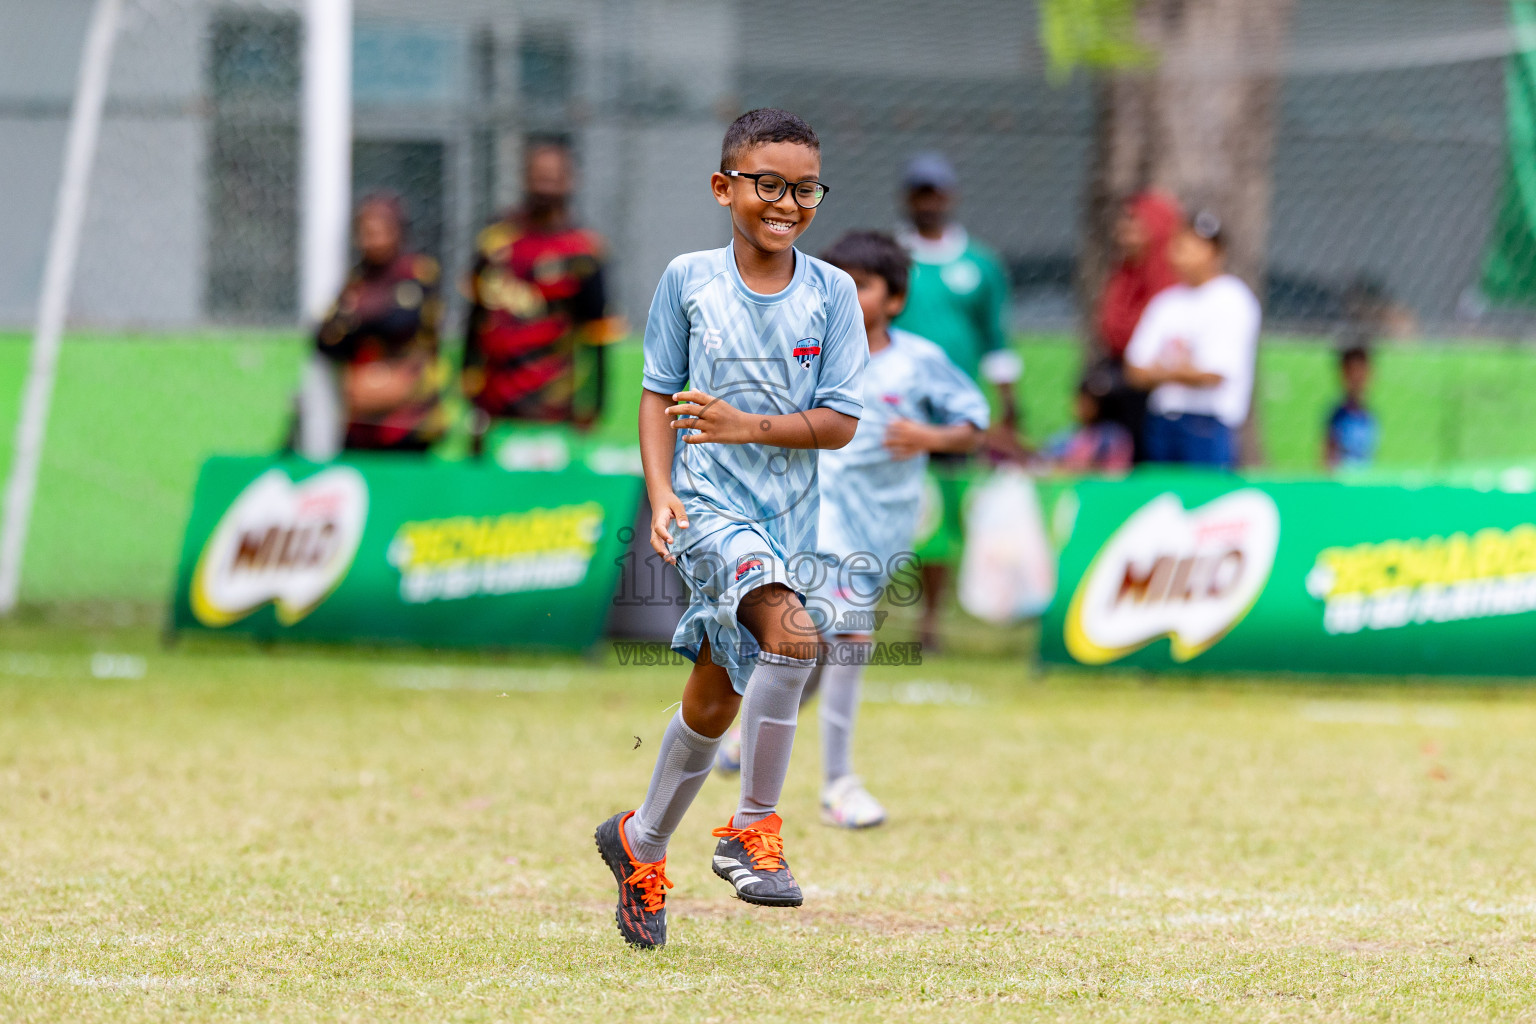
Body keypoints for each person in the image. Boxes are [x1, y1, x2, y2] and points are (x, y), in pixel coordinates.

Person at [592, 109, 866, 949]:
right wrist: (660, 491)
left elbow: (841, 423)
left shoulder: (833, 294)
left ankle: (640, 843)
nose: (787, 203)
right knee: (795, 635)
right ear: (724, 188)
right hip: (708, 509)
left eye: (805, 189)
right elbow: (656, 392)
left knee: (715, 699)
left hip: (790, 525)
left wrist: (747, 424)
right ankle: (751, 831)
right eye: (768, 184)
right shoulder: (688, 280)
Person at [712, 231, 988, 827]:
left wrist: (930, 437)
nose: (844, 293)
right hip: (816, 521)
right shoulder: (806, 353)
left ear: (896, 299)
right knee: (851, 637)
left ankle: (744, 736)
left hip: (880, 531)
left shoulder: (918, 362)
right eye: (835, 281)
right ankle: (839, 786)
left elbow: (972, 422)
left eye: (860, 284)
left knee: (811, 653)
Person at [893, 153, 1022, 648]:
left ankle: (929, 621)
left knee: (943, 512)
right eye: (920, 193)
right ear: (907, 198)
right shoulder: (891, 260)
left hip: (952, 414)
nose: (928, 202)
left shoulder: (980, 265)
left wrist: (1007, 406)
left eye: (936, 192)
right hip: (895, 408)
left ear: (951, 196)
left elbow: (996, 339)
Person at [462, 141, 616, 451]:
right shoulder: (495, 241)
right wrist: (468, 384)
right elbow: (474, 318)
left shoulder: (584, 252)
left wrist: (595, 404)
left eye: (553, 178)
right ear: (524, 178)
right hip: (494, 405)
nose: (545, 186)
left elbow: (597, 335)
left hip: (553, 407)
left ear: (570, 181)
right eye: (538, 176)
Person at [1124, 210, 1260, 469]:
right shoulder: (1166, 302)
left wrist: (1161, 370)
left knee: (1206, 494)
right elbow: (1134, 371)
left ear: (1216, 252)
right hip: (1162, 422)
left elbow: (1213, 374)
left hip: (1208, 425)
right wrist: (1183, 370)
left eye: (1196, 246)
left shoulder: (1232, 299)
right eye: (1181, 244)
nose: (1184, 253)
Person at [312, 193, 447, 452]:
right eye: (365, 233)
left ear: (398, 232)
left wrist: (357, 314)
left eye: (379, 232)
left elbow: (401, 321)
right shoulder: (356, 280)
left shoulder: (417, 271)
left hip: (410, 423)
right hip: (361, 422)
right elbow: (326, 340)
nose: (372, 241)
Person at [1092, 191, 1183, 458]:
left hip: (1156, 399)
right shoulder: (1123, 276)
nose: (1124, 237)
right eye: (1123, 229)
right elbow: (1112, 329)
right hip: (1119, 391)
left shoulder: (1171, 288)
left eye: (1136, 229)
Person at [1040, 375, 1135, 473]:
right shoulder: (1070, 433)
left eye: (1090, 402)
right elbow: (1047, 457)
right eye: (1081, 400)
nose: (1084, 406)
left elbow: (1115, 472)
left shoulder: (1113, 436)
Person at [1324, 345, 1378, 470]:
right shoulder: (1338, 416)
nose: (1357, 378)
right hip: (1342, 478)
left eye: (1361, 372)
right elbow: (1327, 458)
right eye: (1352, 372)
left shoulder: (1370, 415)